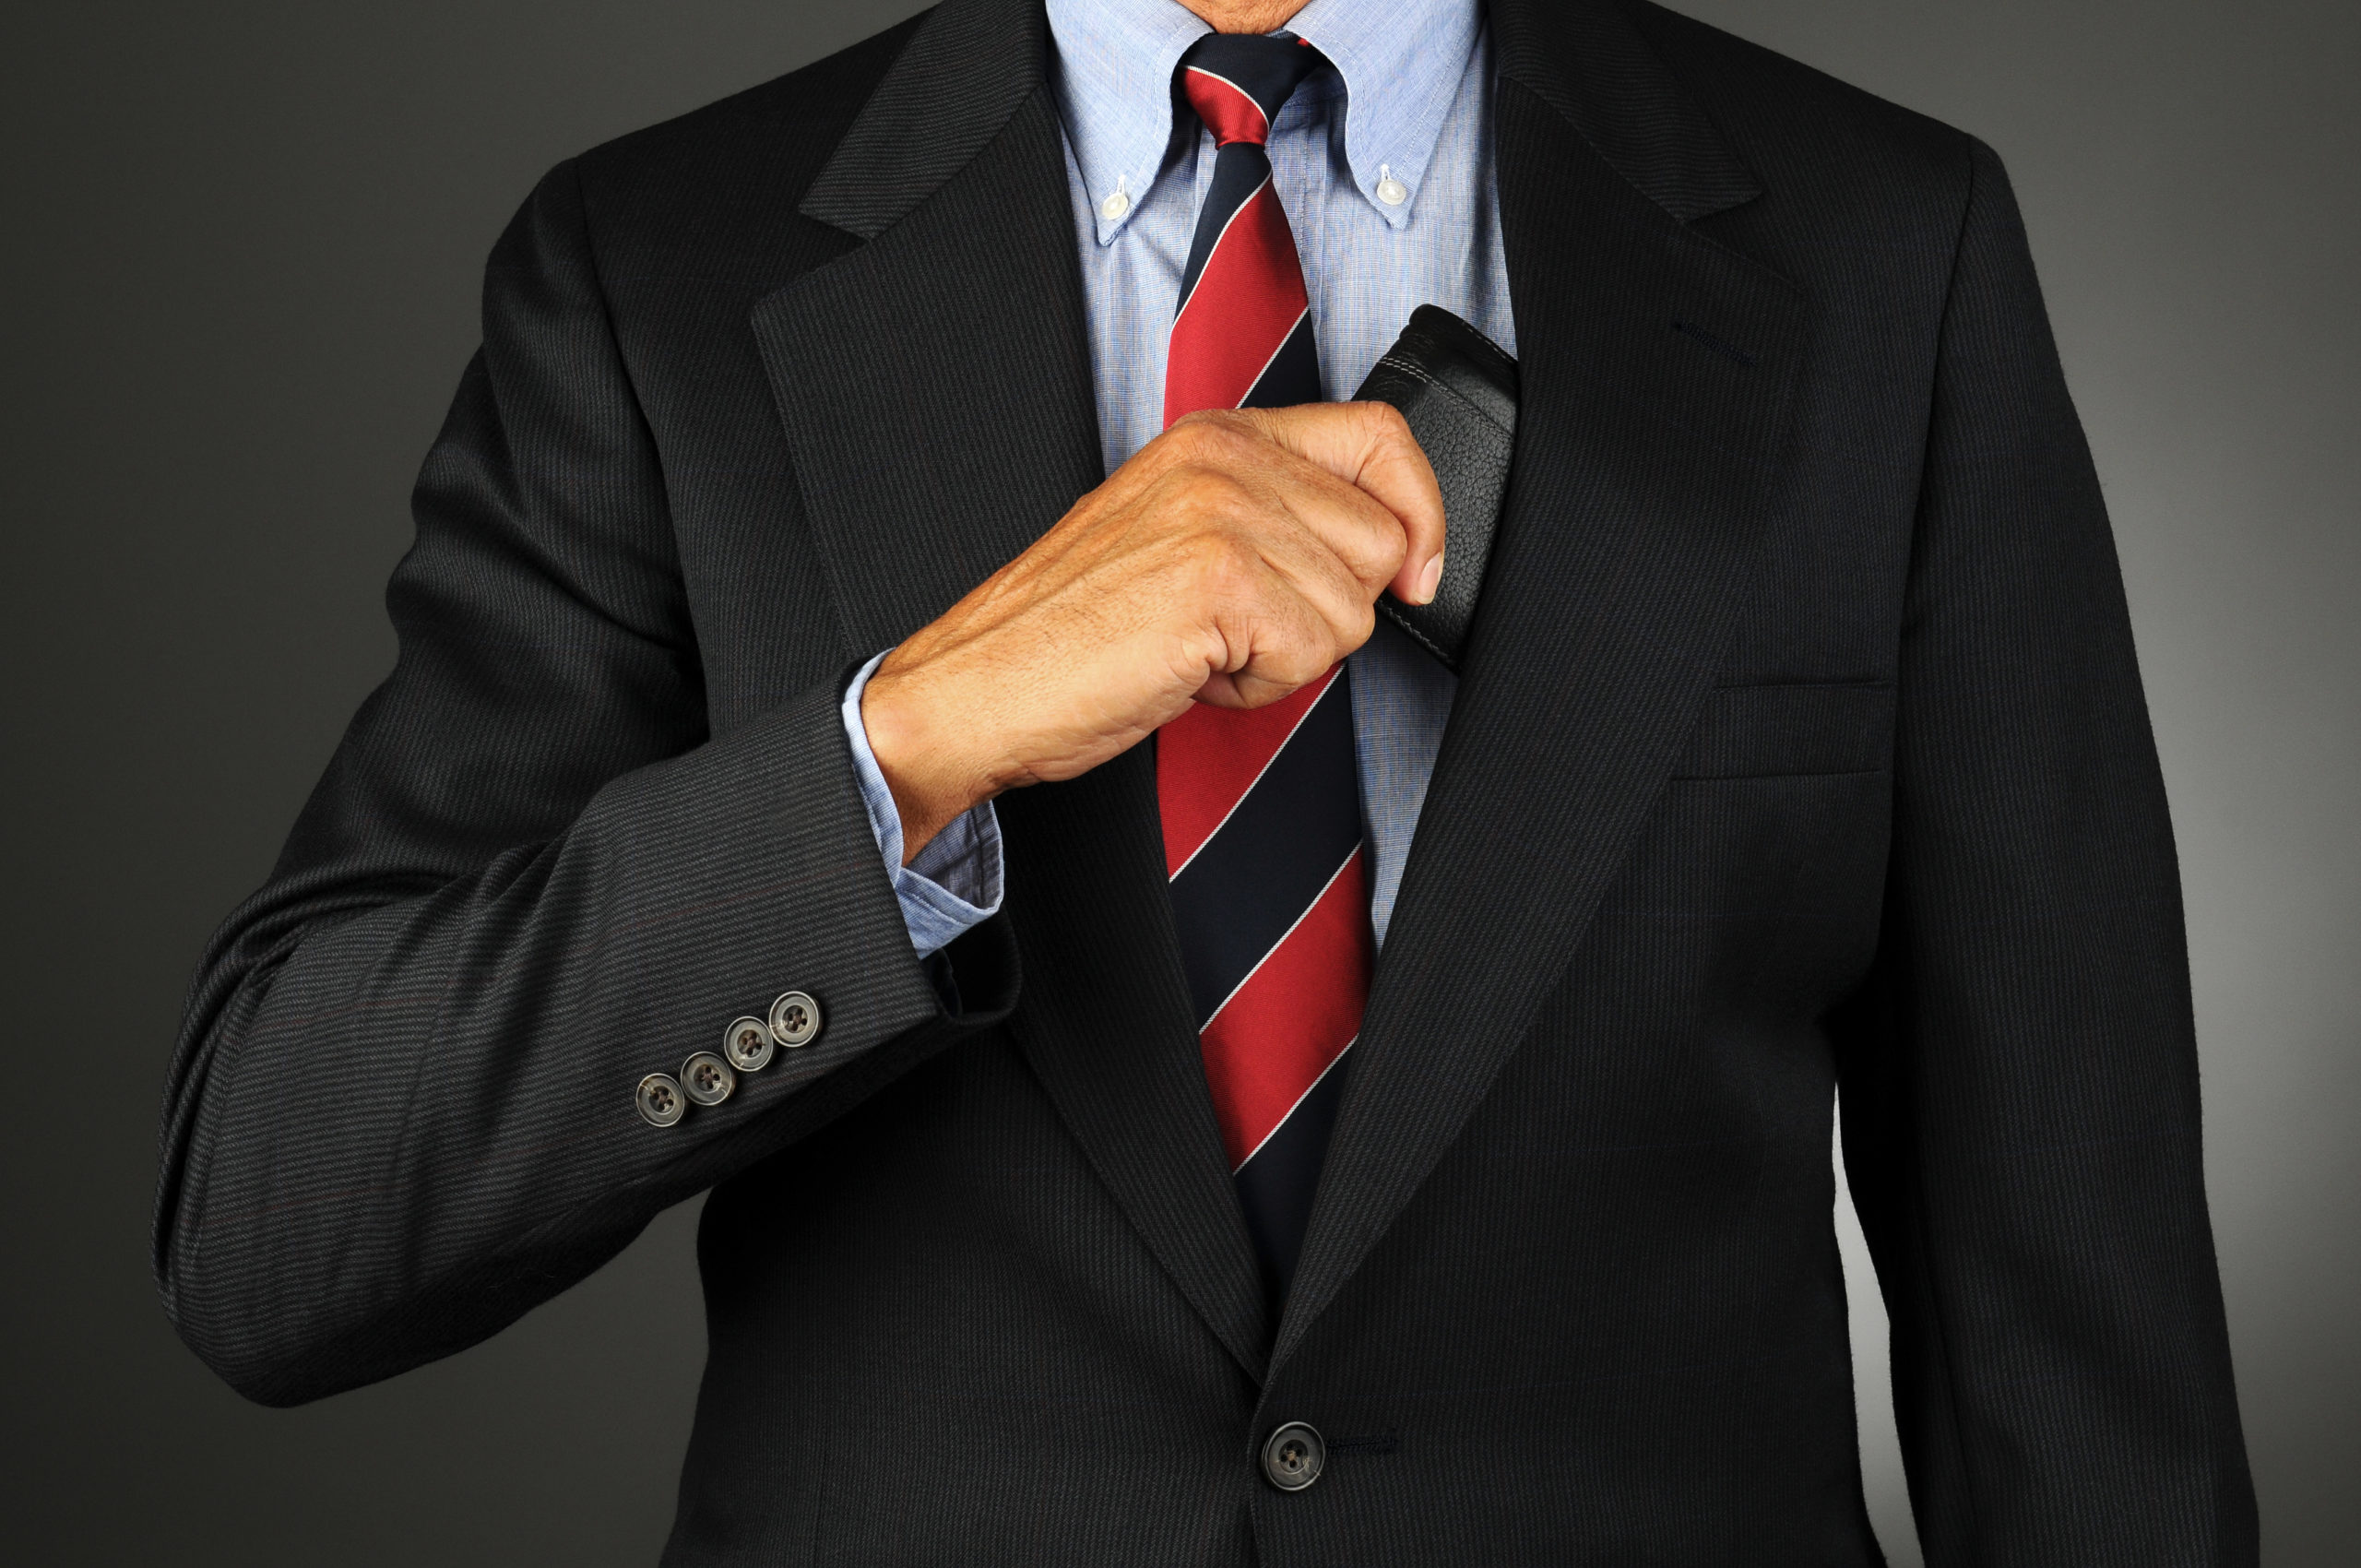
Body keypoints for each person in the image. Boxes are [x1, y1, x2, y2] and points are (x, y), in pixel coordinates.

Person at [153, 0, 2258, 1559]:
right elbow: (277, 1213)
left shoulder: (1885, 253)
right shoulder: (652, 276)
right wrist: (908, 740)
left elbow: (2078, 1352)